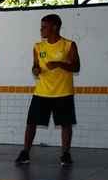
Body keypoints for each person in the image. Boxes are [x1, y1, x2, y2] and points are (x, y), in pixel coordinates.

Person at [16, 14, 80, 166]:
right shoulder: (38, 46)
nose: (41, 30)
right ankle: (25, 152)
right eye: (41, 27)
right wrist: (35, 70)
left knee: (65, 124)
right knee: (31, 123)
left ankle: (65, 154)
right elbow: (35, 66)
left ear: (55, 27)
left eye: (44, 27)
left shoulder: (69, 45)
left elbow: (76, 67)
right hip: (42, 92)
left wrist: (59, 64)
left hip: (63, 92)